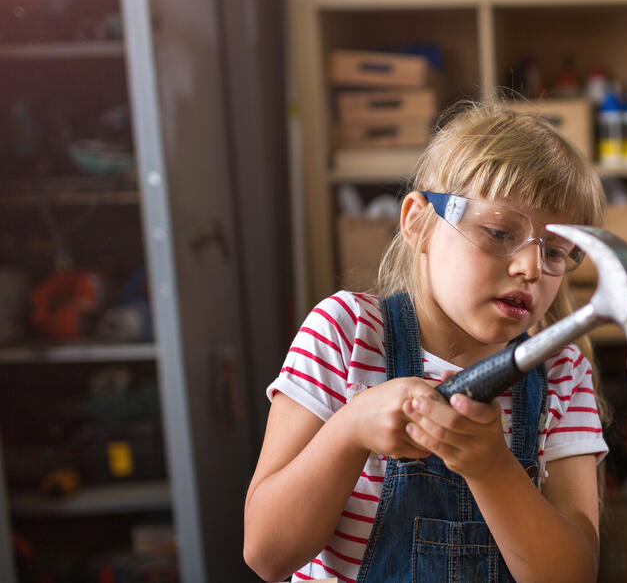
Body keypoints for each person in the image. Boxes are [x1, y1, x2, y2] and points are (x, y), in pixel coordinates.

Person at [243, 104, 608, 582]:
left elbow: (573, 576)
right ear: (418, 222)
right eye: (499, 232)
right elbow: (267, 554)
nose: (531, 268)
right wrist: (349, 430)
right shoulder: (346, 334)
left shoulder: (562, 375)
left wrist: (492, 468)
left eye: (556, 250)